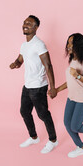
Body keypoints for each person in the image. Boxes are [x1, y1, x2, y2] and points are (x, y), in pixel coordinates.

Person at [9, 15, 58, 154]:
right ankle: (34, 137)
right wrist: (15, 64)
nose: (25, 24)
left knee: (43, 114)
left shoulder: (39, 44)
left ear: (36, 28)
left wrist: (52, 87)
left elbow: (48, 65)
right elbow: (20, 59)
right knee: (24, 112)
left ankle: (53, 140)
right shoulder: (24, 45)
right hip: (28, 85)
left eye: (29, 23)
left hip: (39, 87)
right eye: (24, 22)